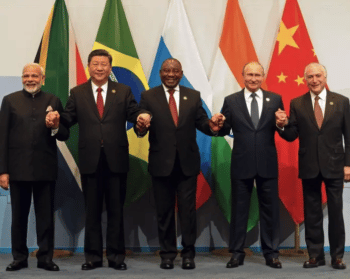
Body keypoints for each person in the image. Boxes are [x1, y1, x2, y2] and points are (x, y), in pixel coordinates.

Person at [60, 49, 151, 271]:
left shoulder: (123, 91)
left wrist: (141, 119)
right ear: (88, 67)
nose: (99, 68)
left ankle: (116, 257)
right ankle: (92, 257)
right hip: (90, 160)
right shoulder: (77, 92)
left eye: (104, 64)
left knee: (116, 212)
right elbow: (67, 119)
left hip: (116, 160)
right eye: (95, 64)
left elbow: (133, 113)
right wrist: (55, 122)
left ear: (110, 68)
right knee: (91, 212)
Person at [138, 58, 224, 270]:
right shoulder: (148, 96)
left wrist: (212, 126)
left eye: (175, 71)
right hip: (161, 164)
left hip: (187, 164)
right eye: (166, 70)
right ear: (160, 73)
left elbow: (202, 123)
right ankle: (167, 255)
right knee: (164, 212)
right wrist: (141, 126)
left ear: (181, 73)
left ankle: (188, 255)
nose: (170, 74)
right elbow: (141, 127)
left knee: (188, 212)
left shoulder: (192, 96)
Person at [276, 62, 349, 269]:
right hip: (309, 165)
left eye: (318, 76)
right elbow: (291, 136)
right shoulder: (297, 103)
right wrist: (281, 125)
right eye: (310, 77)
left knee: (336, 212)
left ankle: (337, 256)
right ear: (305, 79)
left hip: (335, 166)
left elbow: (349, 136)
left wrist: (348, 165)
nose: (314, 80)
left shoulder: (342, 102)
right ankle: (315, 255)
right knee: (312, 213)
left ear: (325, 77)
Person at [0, 63, 69, 272]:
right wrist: (3, 171)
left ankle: (45, 258)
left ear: (43, 78)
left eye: (34, 76)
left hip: (45, 169)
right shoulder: (10, 100)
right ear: (22, 78)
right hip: (17, 169)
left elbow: (65, 134)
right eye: (26, 76)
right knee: (18, 218)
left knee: (45, 218)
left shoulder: (53, 100)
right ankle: (19, 258)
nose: (30, 79)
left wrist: (55, 126)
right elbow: (2, 138)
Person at [218, 61, 284, 269]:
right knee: (239, 211)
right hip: (241, 162)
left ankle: (271, 253)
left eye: (257, 75)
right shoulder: (231, 100)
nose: (253, 78)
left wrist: (283, 124)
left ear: (263, 76)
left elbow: (284, 127)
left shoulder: (275, 99)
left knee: (270, 210)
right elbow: (222, 129)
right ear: (242, 76)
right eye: (249, 75)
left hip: (267, 163)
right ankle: (237, 253)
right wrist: (218, 125)